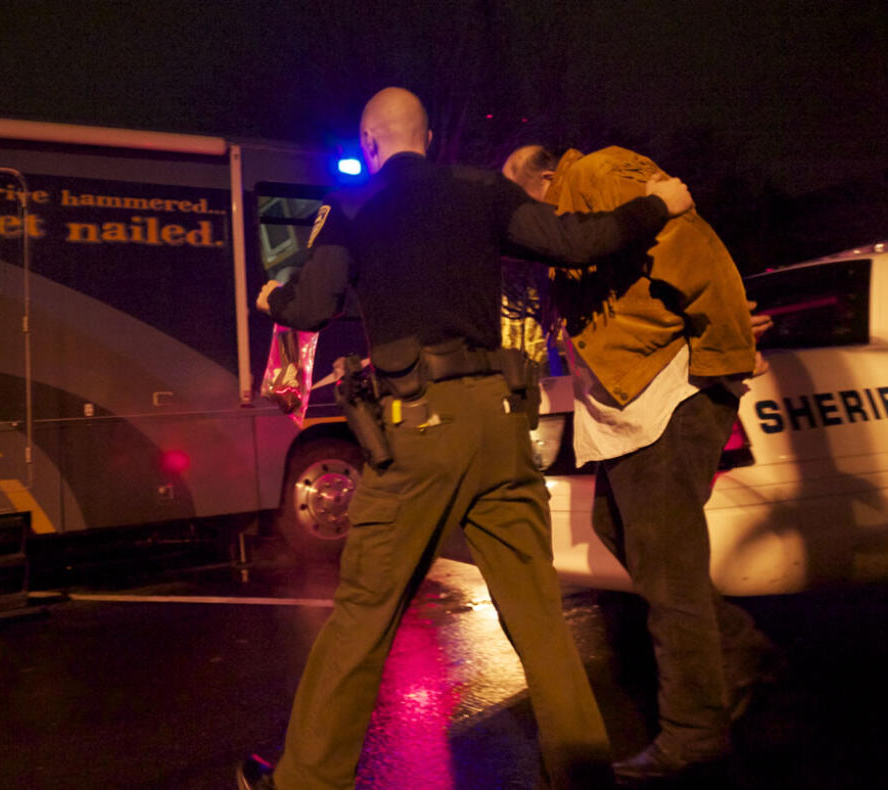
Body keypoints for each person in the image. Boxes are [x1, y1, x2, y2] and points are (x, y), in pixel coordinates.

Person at [237, 88, 695, 790]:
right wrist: (657, 203)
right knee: (537, 615)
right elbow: (577, 242)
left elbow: (314, 306)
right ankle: (581, 775)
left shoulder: (352, 208)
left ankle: (303, 781)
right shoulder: (484, 190)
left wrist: (274, 297)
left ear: (368, 144)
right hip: (502, 427)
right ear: (425, 136)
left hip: (417, 433)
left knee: (365, 613)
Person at [503, 144, 777, 784]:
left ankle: (695, 733)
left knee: (667, 567)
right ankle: (739, 651)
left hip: (669, 388)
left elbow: (692, 249)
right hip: (634, 401)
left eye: (518, 197)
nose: (519, 218)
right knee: (620, 531)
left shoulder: (599, 175)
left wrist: (728, 348)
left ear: (546, 179)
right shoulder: (567, 222)